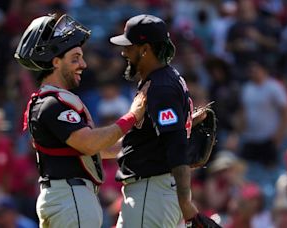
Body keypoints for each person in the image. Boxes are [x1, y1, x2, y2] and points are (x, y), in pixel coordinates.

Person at [14, 14, 148, 228]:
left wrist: (145, 143)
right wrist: (133, 115)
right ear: (55, 62)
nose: (83, 64)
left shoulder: (50, 101)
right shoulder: (51, 103)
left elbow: (95, 150)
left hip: (66, 198)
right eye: (75, 58)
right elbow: (90, 143)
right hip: (71, 199)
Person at [109, 14, 220, 227]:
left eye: (129, 46)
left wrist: (185, 202)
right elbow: (148, 142)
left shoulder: (161, 87)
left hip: (151, 193)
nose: (124, 52)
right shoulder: (166, 78)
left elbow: (176, 145)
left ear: (145, 49)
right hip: (154, 193)